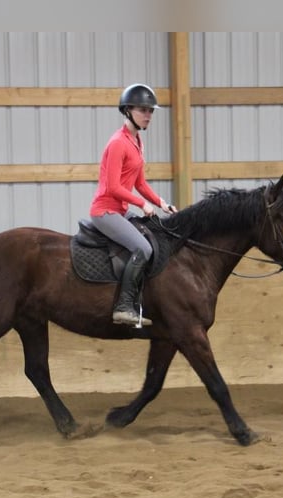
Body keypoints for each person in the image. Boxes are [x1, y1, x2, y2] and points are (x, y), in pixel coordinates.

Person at [90, 83, 177, 327]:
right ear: (128, 110)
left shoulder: (135, 140)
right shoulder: (118, 143)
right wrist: (142, 205)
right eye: (143, 110)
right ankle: (123, 307)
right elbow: (113, 187)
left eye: (151, 111)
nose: (148, 115)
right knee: (143, 249)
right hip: (105, 211)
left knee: (154, 238)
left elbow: (139, 182)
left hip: (120, 210)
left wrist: (161, 203)